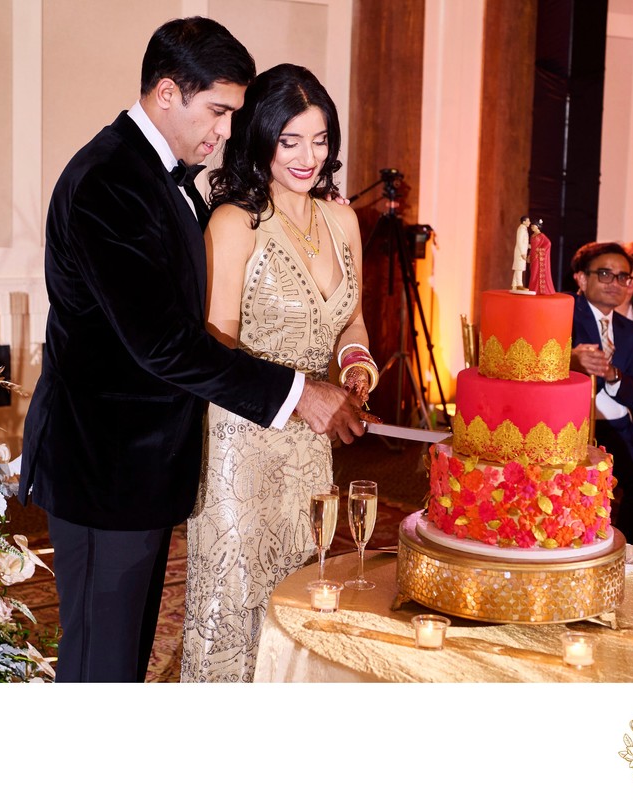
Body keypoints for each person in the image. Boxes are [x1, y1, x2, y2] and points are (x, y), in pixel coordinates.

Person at [19, 19, 368, 683]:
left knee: (119, 657)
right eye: (218, 111)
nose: (226, 132)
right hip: (105, 463)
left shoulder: (155, 172)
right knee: (101, 665)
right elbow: (164, 343)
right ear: (168, 93)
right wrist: (301, 391)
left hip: (140, 467)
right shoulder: (108, 182)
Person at [182, 64, 375, 682]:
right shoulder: (234, 224)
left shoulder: (342, 221)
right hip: (243, 449)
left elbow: (353, 321)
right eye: (290, 140)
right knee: (234, 609)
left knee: (299, 603)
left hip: (312, 451)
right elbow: (214, 348)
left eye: (320, 141)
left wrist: (356, 365)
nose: (308, 156)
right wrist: (300, 393)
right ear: (260, 139)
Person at [569, 241, 633, 549]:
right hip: (588, 426)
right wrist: (573, 359)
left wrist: (613, 376)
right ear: (582, 279)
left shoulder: (630, 332)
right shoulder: (565, 313)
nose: (616, 283)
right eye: (605, 274)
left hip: (628, 421)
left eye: (623, 277)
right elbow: (536, 359)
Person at [527, 219, 554, 294]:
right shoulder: (532, 236)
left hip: (538, 258)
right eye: (531, 225)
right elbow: (532, 247)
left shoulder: (541, 236)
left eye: (533, 225)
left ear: (538, 226)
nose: (531, 227)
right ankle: (533, 289)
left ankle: (537, 290)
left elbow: (548, 243)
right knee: (533, 273)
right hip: (533, 257)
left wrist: (540, 250)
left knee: (536, 272)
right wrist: (529, 255)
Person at [512, 215, 530, 290]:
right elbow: (519, 241)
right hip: (520, 252)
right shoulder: (521, 229)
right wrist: (522, 253)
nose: (529, 222)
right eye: (528, 221)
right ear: (524, 221)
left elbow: (524, 242)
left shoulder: (524, 229)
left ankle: (514, 284)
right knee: (519, 268)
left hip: (522, 251)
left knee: (518, 268)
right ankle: (519, 285)